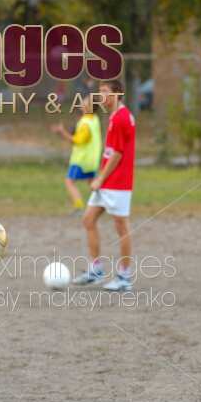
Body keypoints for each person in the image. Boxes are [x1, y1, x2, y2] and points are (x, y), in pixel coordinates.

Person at [72, 80, 136, 292]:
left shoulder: (121, 118)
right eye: (99, 92)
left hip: (118, 182)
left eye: (105, 91)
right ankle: (96, 270)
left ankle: (124, 277)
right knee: (88, 219)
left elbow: (117, 154)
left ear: (118, 94)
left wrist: (100, 178)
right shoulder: (114, 116)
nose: (101, 96)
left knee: (121, 227)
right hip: (108, 181)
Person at [50, 94, 102, 212]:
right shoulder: (94, 119)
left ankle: (78, 206)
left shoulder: (85, 123)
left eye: (85, 102)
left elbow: (77, 141)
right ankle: (103, 202)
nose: (81, 103)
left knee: (69, 181)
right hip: (92, 160)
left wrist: (62, 132)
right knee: (92, 183)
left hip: (81, 160)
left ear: (89, 107)